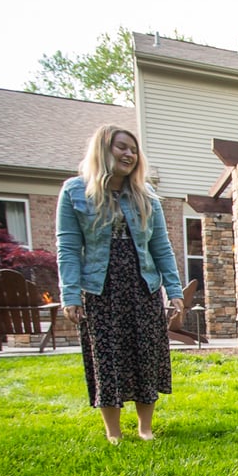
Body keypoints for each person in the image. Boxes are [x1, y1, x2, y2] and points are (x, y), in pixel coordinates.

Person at [56, 125, 185, 444]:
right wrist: (70, 294)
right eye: (121, 147)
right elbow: (68, 248)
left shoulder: (146, 197)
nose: (129, 154)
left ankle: (145, 427)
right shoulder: (74, 191)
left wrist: (175, 291)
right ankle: (113, 431)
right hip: (101, 289)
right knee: (107, 356)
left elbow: (161, 247)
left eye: (134, 149)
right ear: (103, 150)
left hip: (143, 286)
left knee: (146, 354)